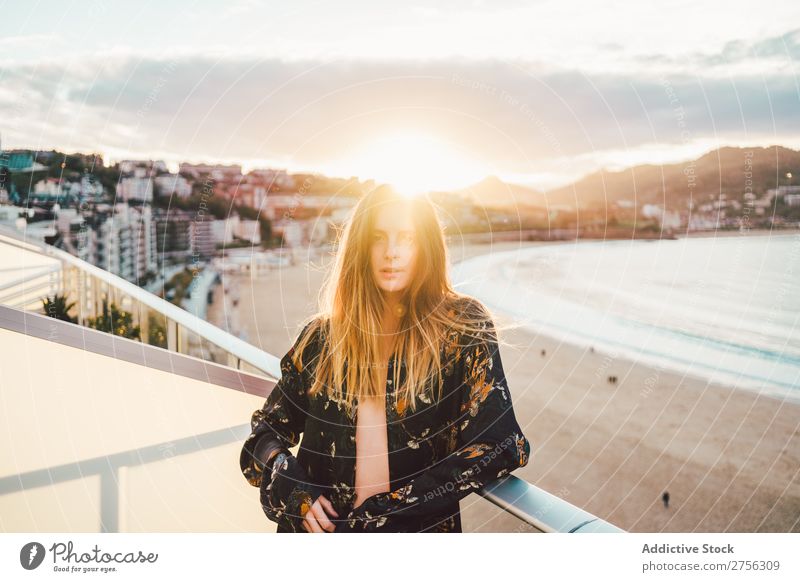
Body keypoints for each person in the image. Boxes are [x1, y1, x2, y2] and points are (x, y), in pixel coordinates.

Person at [239, 184, 532, 533]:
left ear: (426, 245)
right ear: (361, 248)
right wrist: (295, 491)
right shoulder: (321, 340)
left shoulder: (461, 330)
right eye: (379, 238)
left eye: (405, 238)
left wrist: (386, 511)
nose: (391, 252)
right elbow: (264, 436)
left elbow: (501, 443)